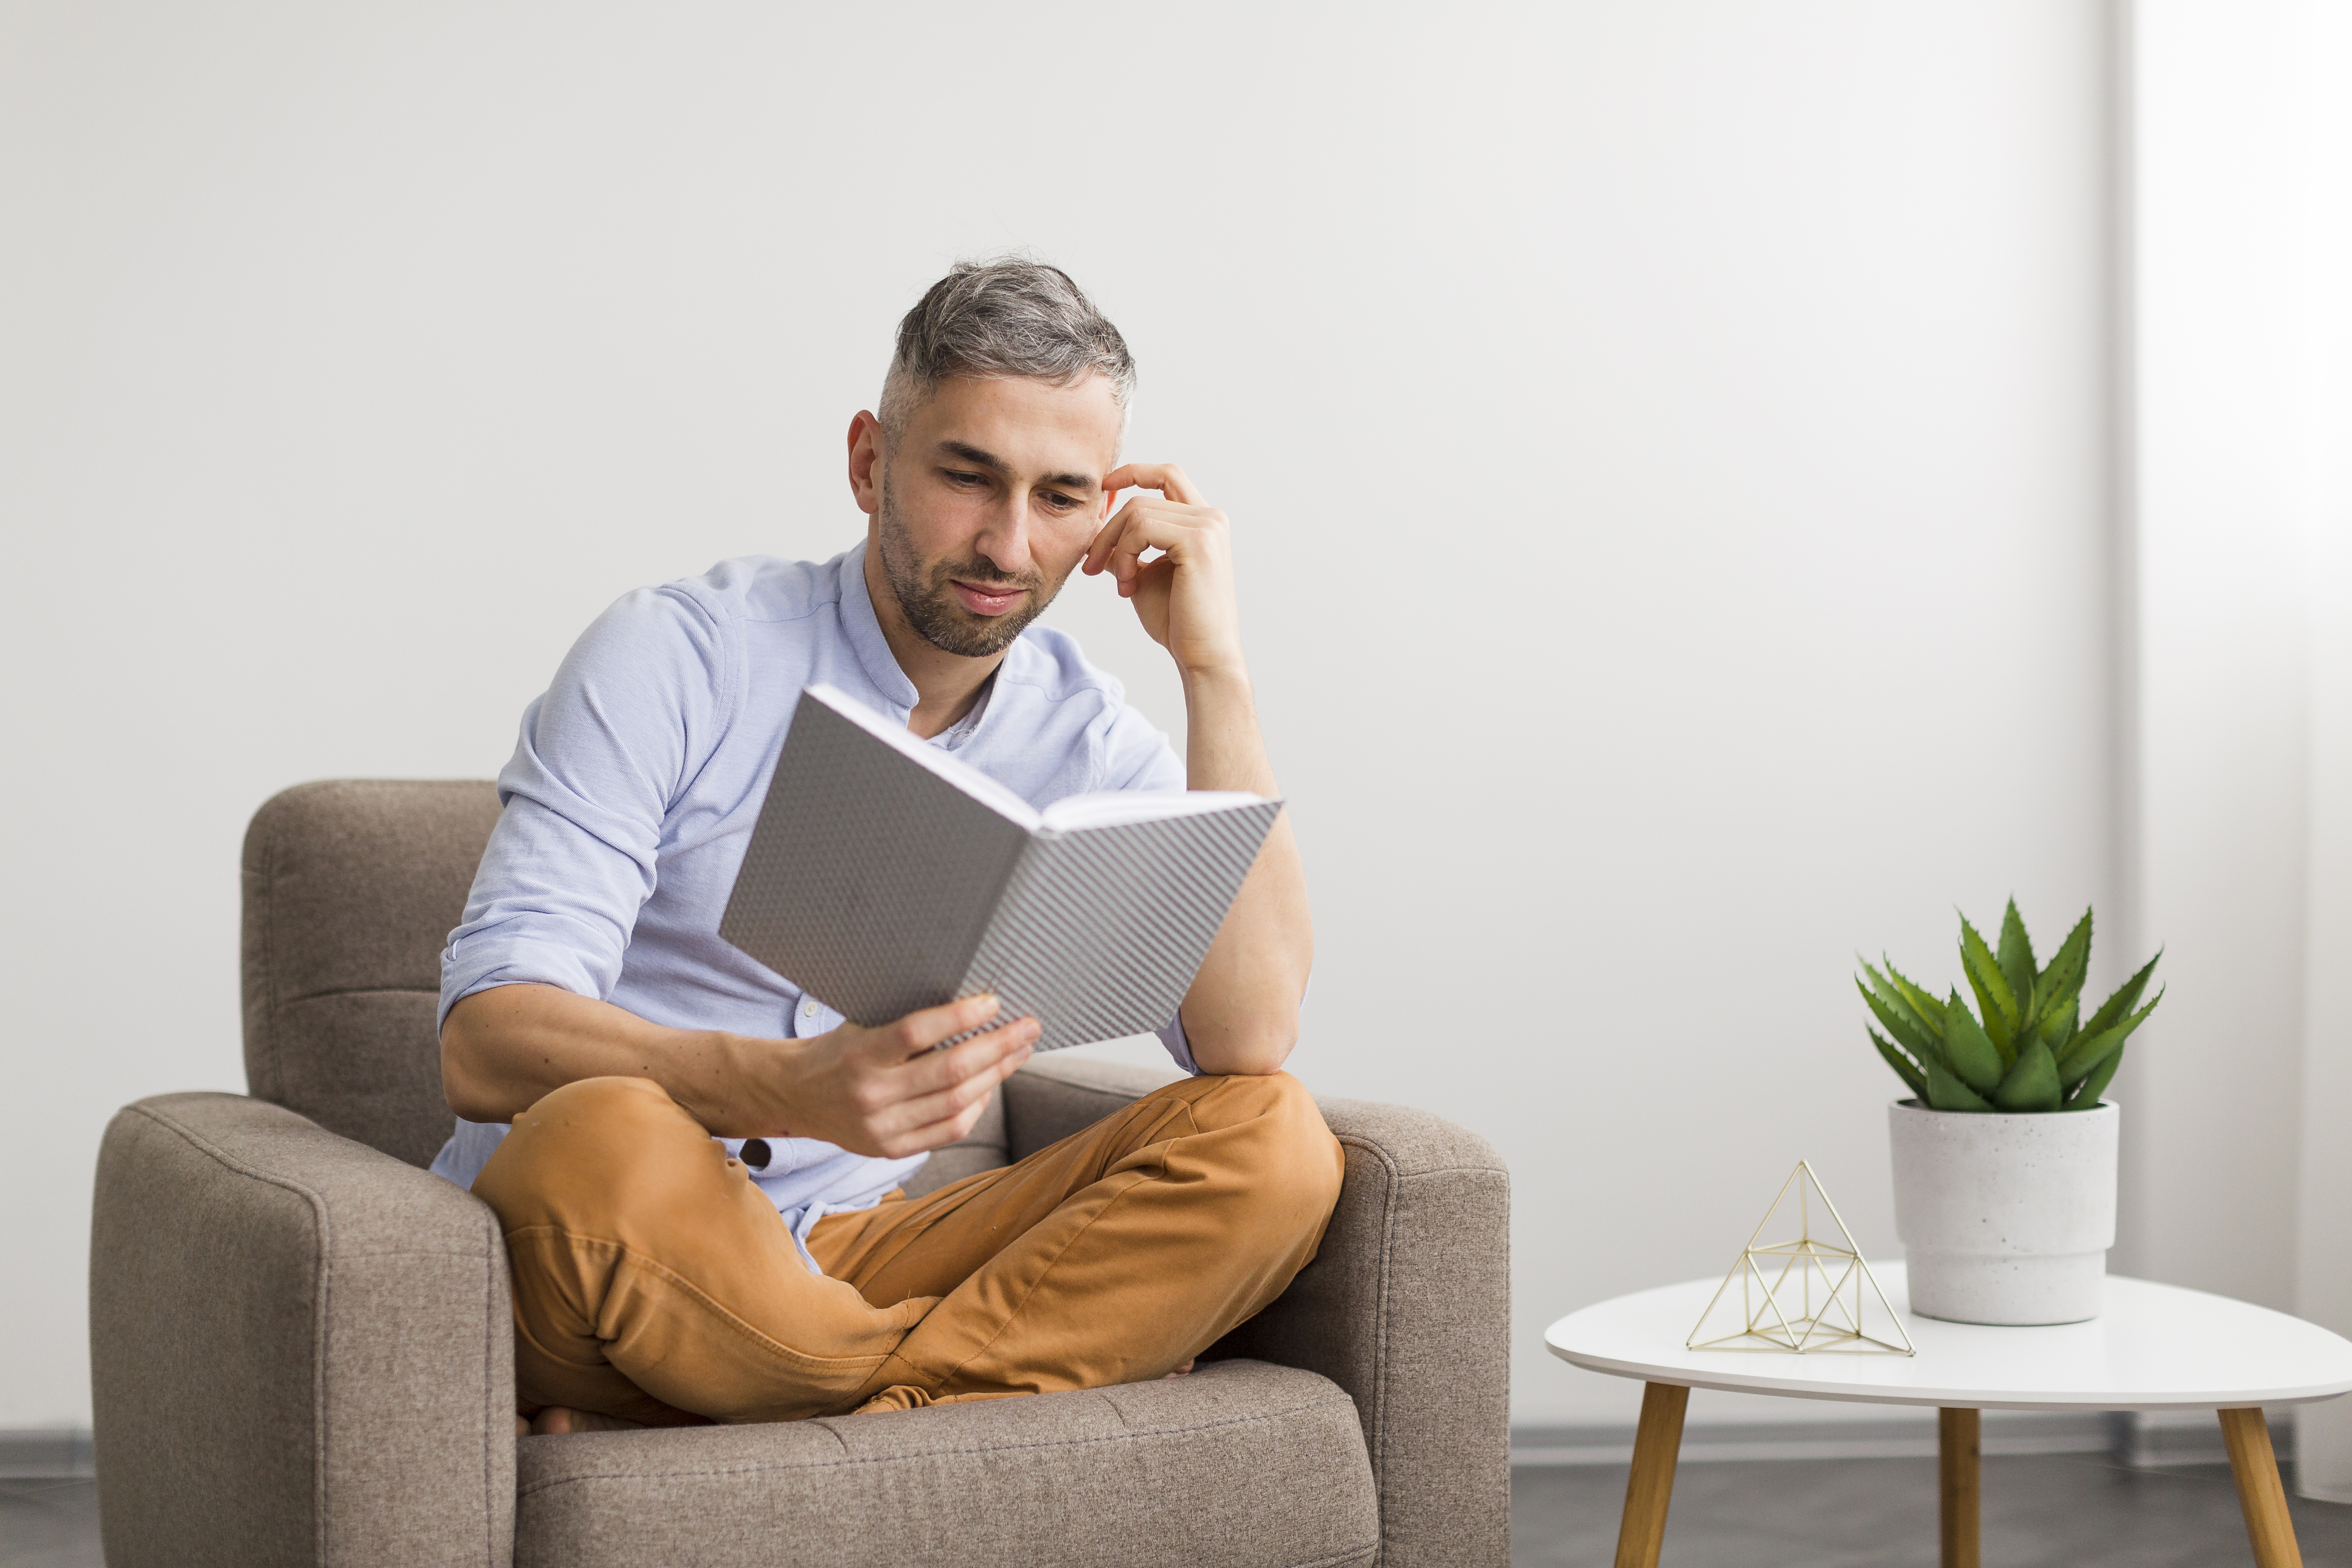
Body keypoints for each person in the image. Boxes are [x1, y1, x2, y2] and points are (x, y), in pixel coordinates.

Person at [429, 258, 1338, 1434]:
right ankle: (969, 1382)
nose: (1009, 546)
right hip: (631, 1222)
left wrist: (1215, 671)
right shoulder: (678, 655)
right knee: (603, 1130)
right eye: (969, 477)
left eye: (1062, 499)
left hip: (857, 1253)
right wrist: (789, 1092)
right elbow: (486, 1041)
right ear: (869, 463)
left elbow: (1247, 1035)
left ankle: (844, 1401)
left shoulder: (1088, 734)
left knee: (1275, 1141)